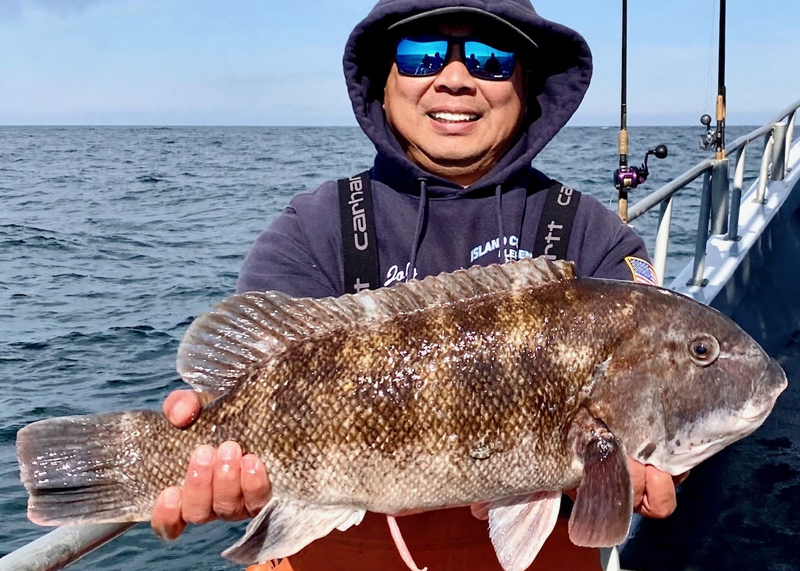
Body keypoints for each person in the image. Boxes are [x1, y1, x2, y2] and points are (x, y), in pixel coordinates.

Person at [151, 1, 686, 569]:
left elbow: (651, 415)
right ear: (383, 82)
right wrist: (212, 461)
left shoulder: (593, 238)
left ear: (526, 87)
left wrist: (611, 480)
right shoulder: (314, 231)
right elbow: (239, 380)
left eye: (490, 59)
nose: (454, 79)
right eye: (420, 55)